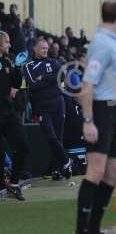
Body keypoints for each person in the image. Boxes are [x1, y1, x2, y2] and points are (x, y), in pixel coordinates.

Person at [75, 0, 116, 234]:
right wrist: (88, 120)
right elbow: (87, 84)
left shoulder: (112, 42)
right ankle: (82, 230)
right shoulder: (102, 44)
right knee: (95, 170)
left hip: (115, 110)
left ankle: (93, 228)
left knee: (113, 172)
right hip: (102, 111)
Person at [23, 39, 72, 181]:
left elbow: (62, 76)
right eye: (42, 48)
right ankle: (66, 161)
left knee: (58, 138)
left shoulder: (53, 62)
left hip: (58, 104)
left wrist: (43, 77)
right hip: (42, 108)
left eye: (46, 48)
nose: (45, 50)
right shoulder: (29, 66)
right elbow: (33, 85)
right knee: (51, 137)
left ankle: (57, 170)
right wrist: (51, 79)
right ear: (35, 49)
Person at [0, 31, 29, 201]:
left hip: (8, 113)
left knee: (23, 147)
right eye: (7, 42)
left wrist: (18, 67)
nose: (9, 45)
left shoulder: (7, 60)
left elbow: (16, 84)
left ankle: (14, 183)